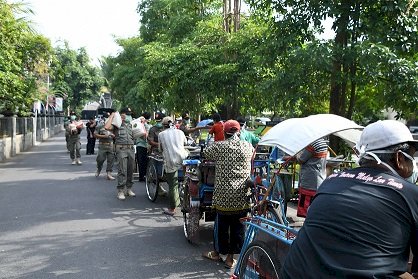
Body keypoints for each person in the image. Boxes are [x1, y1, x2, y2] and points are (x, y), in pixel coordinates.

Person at [281, 120, 418, 279]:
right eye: (412, 155)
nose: (413, 162)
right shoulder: (411, 194)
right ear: (399, 158)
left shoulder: (331, 181)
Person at [202, 120, 254, 269]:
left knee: (222, 227)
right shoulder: (247, 146)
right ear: (239, 132)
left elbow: (205, 153)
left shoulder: (219, 146)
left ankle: (218, 252)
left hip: (223, 197)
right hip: (242, 197)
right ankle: (231, 258)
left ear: (224, 132)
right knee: (238, 228)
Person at [284, 137, 328, 217]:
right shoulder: (323, 142)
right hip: (319, 179)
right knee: (314, 209)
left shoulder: (313, 143)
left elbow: (301, 159)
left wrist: (295, 154)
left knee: (306, 210)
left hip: (310, 180)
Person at [158, 116, 189, 216]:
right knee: (186, 179)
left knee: (172, 185)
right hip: (183, 158)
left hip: (170, 161)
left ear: (163, 125)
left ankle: (172, 209)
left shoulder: (161, 134)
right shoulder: (180, 132)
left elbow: (160, 149)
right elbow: (186, 143)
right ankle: (185, 182)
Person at [105, 107, 136, 200]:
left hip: (131, 148)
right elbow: (107, 127)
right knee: (122, 170)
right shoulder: (117, 123)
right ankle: (121, 190)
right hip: (121, 148)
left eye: (129, 114)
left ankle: (129, 188)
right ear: (122, 114)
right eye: (127, 114)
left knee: (131, 170)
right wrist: (112, 116)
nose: (128, 116)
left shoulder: (132, 124)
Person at [94, 112, 115, 180]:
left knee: (111, 160)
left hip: (111, 145)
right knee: (100, 159)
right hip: (102, 145)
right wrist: (103, 136)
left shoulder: (113, 125)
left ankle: (109, 173)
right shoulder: (100, 125)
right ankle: (99, 169)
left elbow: (117, 135)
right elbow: (95, 134)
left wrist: (113, 136)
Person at [135, 112, 151, 182]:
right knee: (145, 162)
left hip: (139, 145)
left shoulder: (138, 124)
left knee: (140, 162)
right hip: (145, 145)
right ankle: (144, 176)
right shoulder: (147, 126)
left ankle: (141, 176)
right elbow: (146, 136)